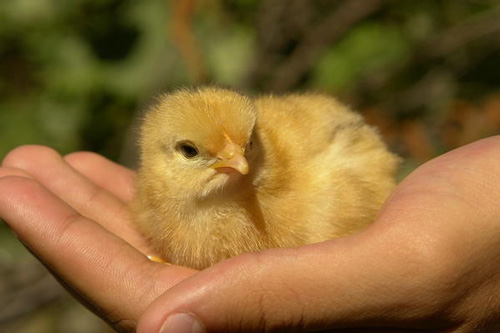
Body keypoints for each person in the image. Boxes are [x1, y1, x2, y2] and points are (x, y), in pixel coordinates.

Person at [0, 136, 499, 333]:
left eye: (242, 150)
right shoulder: (158, 202)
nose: (237, 163)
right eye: (197, 152)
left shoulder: (311, 197)